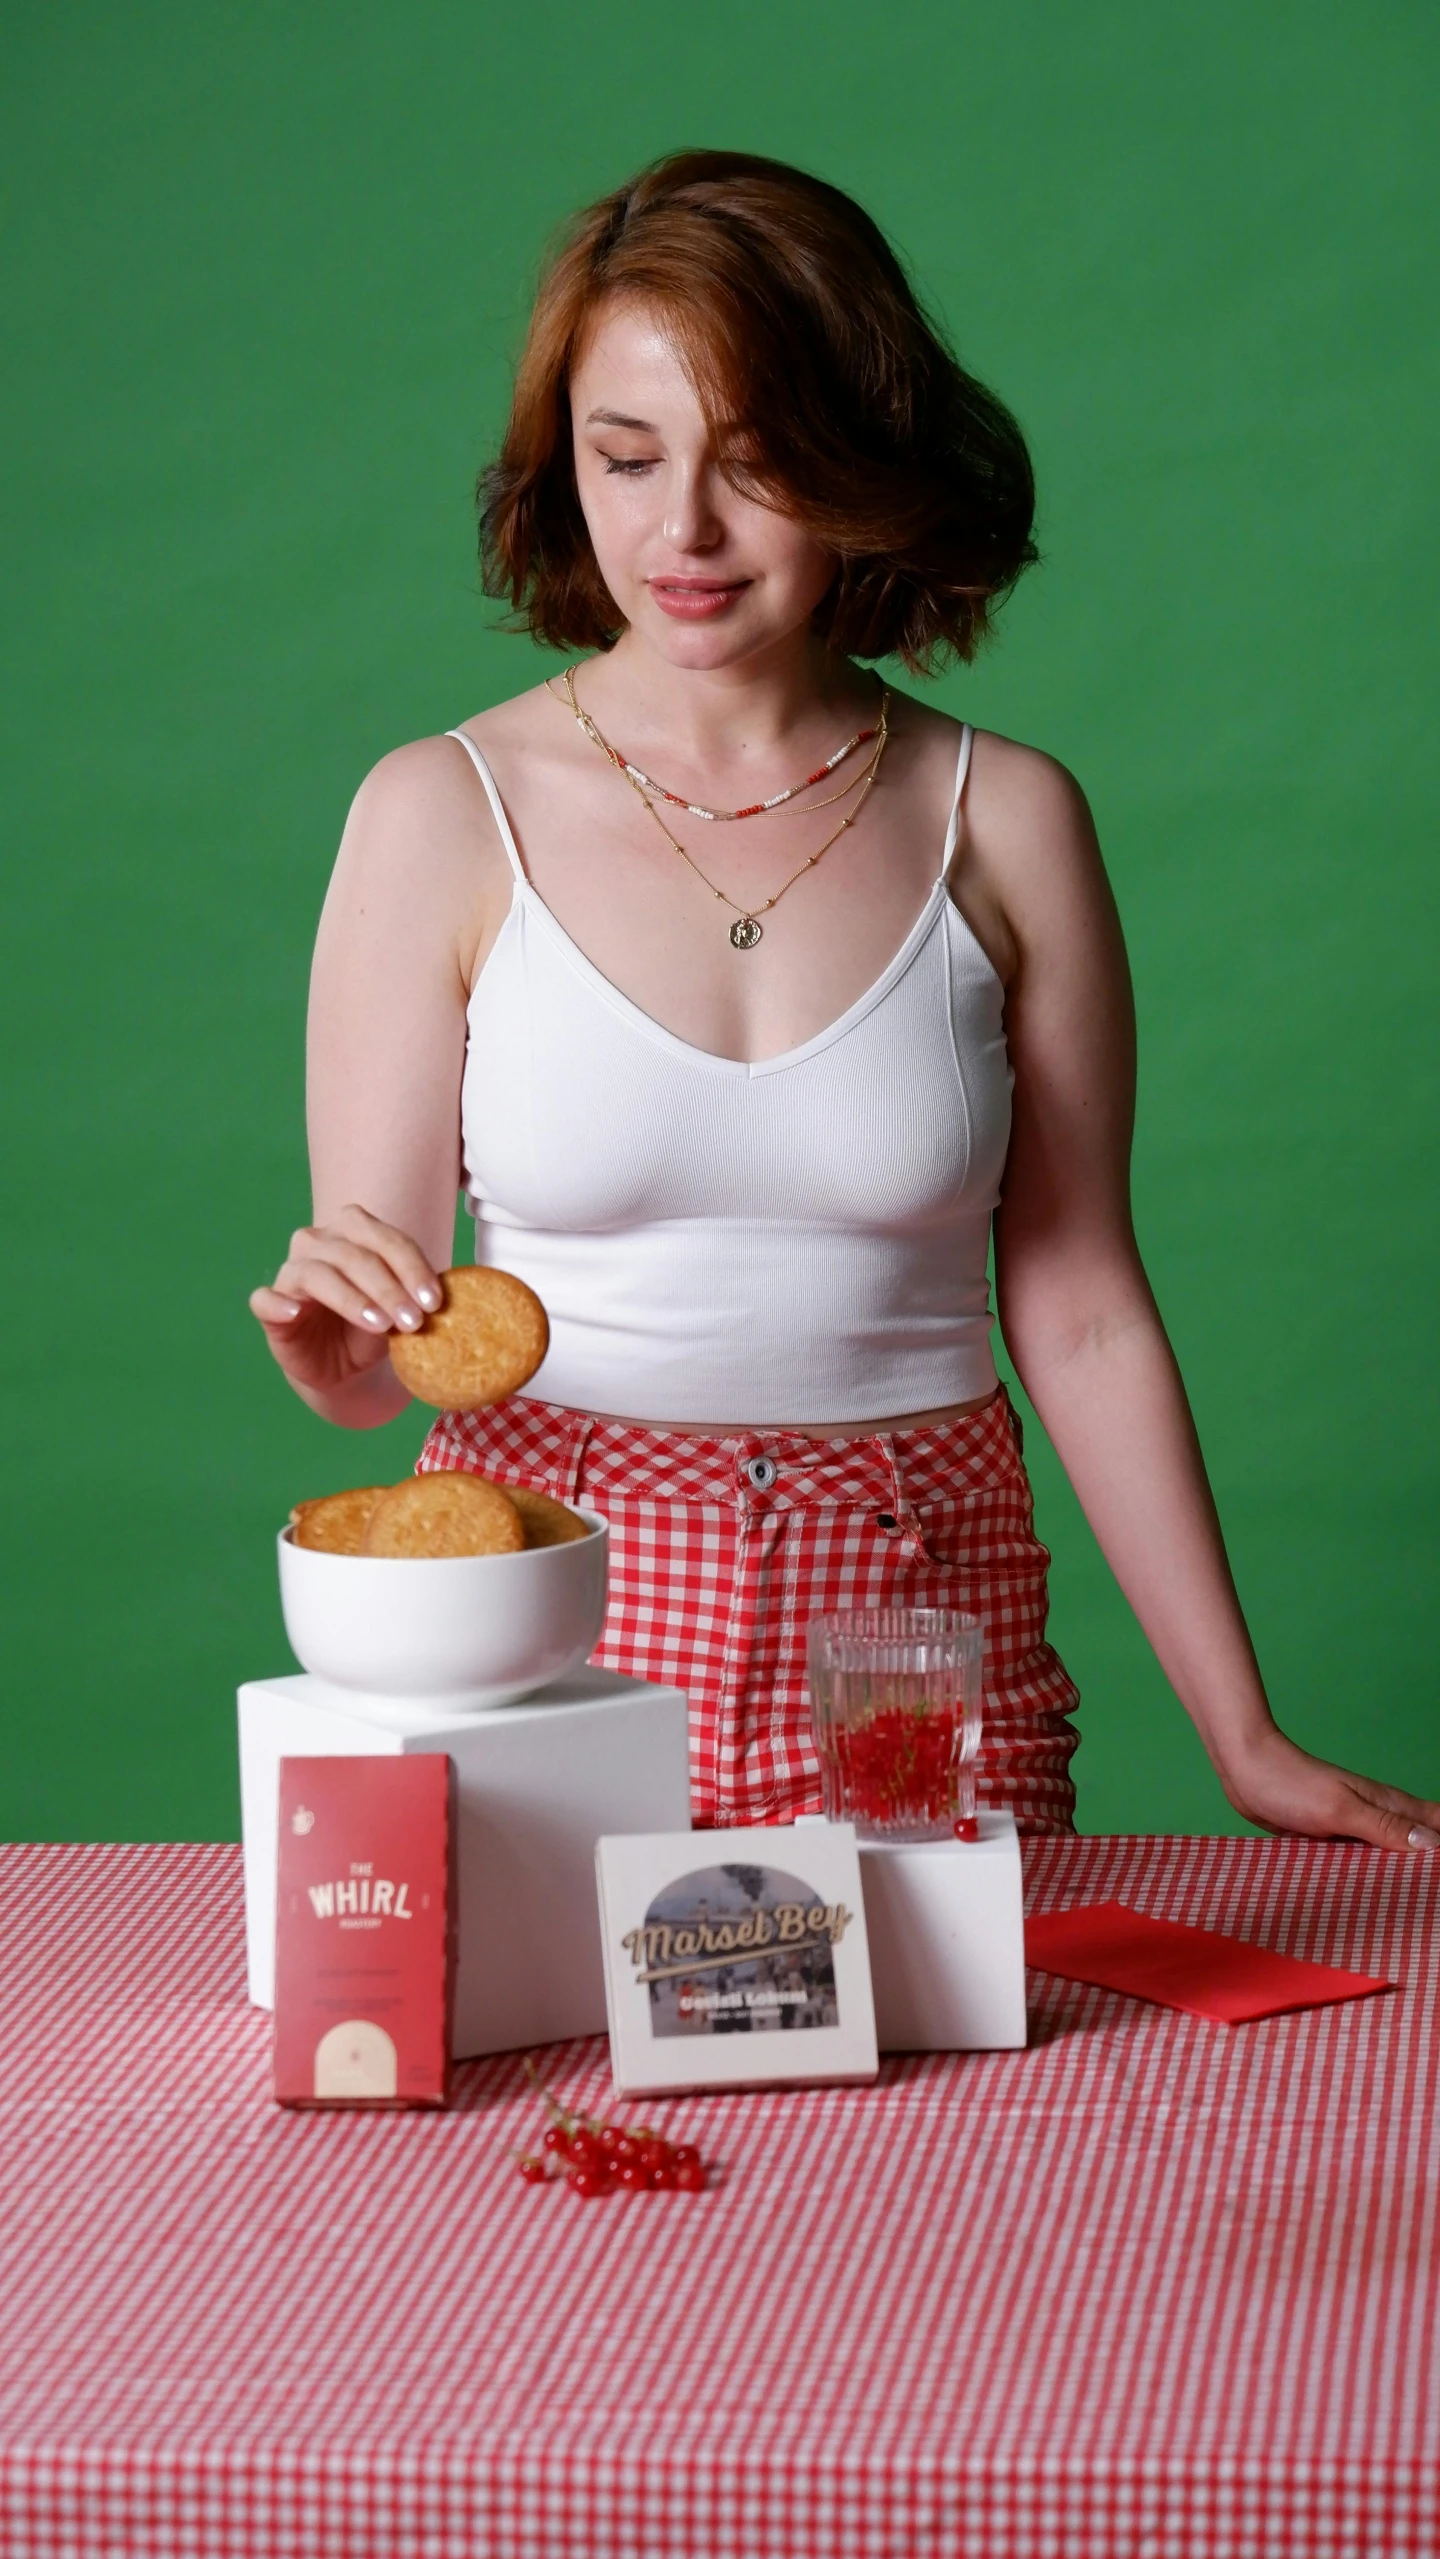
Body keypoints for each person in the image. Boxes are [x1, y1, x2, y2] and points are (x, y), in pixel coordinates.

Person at [251, 149, 1438, 1854]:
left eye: (756, 463)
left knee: (951, 2088)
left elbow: (1082, 1299)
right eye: (626, 457)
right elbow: (385, 1344)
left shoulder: (1007, 817)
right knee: (556, 2090)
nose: (685, 534)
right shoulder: (438, 813)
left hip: (913, 1594)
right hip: (546, 1589)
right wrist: (330, 1348)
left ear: (859, 461)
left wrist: (1241, 1733)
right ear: (561, 466)